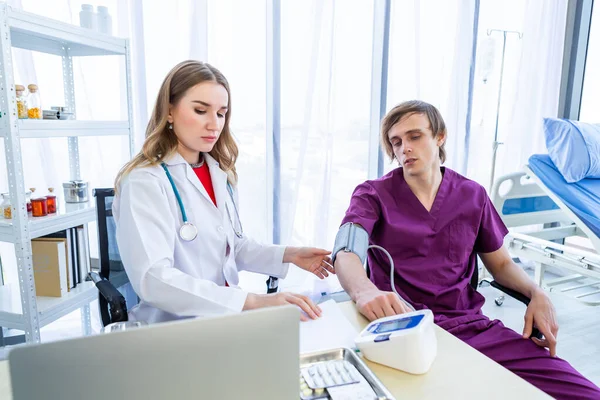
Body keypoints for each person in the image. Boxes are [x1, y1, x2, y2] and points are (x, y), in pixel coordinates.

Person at [334, 100, 600, 399]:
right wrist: (363, 291)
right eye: (396, 142)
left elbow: (501, 265)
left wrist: (538, 293)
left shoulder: (472, 194)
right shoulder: (373, 194)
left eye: (414, 136)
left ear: (439, 136)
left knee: (585, 393)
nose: (404, 148)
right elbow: (346, 250)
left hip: (472, 329)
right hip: (403, 332)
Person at [113, 60, 334, 324]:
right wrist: (253, 301)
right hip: (172, 328)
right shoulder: (145, 181)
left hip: (225, 320)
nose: (213, 124)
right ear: (169, 111)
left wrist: (290, 254)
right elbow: (153, 279)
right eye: (200, 110)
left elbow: (232, 247)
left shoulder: (220, 173)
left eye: (221, 113)